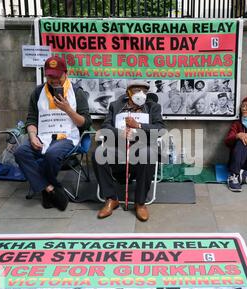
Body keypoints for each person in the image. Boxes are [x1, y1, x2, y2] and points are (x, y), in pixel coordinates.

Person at [14, 56, 92, 211]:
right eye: (50, 76)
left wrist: (68, 110)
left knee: (52, 154)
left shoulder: (77, 92)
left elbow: (86, 123)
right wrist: (32, 136)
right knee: (20, 152)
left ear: (66, 73)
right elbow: (31, 119)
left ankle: (45, 189)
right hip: (43, 135)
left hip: (67, 137)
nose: (54, 80)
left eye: (57, 76)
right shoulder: (37, 92)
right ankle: (49, 188)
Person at [92, 80, 166, 222]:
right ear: (128, 92)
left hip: (143, 146)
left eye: (144, 91)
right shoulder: (116, 106)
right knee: (99, 154)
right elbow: (106, 126)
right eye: (137, 90)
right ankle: (111, 199)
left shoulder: (153, 107)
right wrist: (120, 132)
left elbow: (160, 129)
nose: (141, 94)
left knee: (148, 154)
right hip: (118, 146)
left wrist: (138, 125)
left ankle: (140, 203)